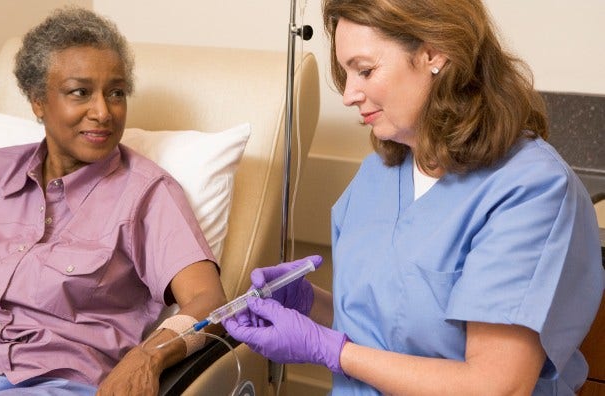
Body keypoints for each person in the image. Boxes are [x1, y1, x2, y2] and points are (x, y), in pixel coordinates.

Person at [223, 0, 604, 394]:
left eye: (365, 70)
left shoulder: (528, 190)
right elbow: (390, 326)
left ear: (433, 53)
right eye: (346, 72)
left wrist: (331, 351)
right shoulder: (378, 176)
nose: (349, 94)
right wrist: (309, 305)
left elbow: (496, 386)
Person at [0, 7, 226, 396]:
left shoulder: (146, 194)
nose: (103, 112)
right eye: (80, 92)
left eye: (116, 92)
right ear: (38, 101)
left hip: (56, 385)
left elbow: (210, 302)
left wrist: (147, 357)